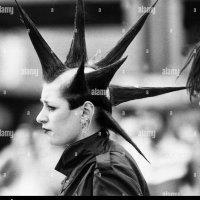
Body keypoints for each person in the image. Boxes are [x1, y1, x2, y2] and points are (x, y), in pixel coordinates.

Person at [15, 0, 187, 196]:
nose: (40, 117)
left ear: (86, 112)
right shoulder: (89, 166)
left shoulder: (106, 172)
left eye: (52, 107)